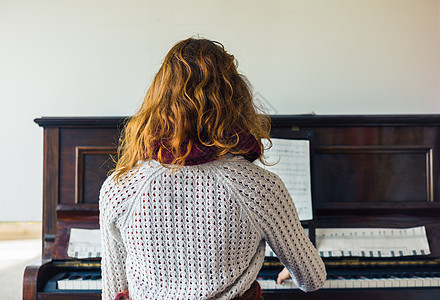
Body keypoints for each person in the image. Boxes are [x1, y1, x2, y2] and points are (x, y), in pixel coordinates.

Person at [99, 37, 326, 300]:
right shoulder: (261, 187)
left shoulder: (119, 187)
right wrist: (292, 264)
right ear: (236, 101)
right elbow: (312, 280)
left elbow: (114, 292)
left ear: (158, 101)